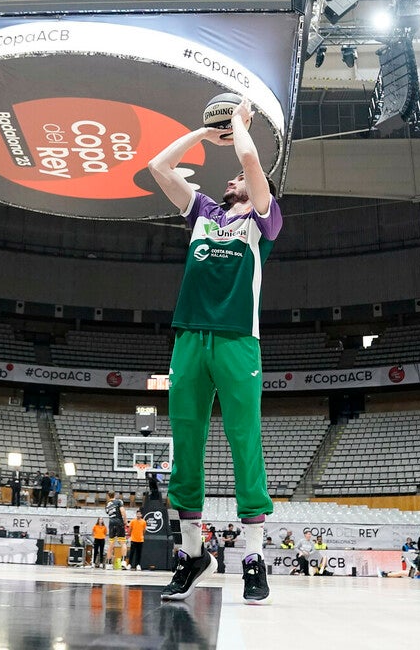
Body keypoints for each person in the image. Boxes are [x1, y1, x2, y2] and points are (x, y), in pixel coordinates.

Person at [148, 97, 279, 606]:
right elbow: (158, 167)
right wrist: (204, 134)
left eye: (236, 181)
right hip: (189, 338)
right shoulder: (203, 213)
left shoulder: (265, 221)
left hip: (237, 340)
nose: (229, 182)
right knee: (186, 444)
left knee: (245, 441)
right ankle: (191, 554)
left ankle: (252, 557)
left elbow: (249, 163)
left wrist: (240, 125)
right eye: (225, 181)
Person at [105, 491, 126, 568]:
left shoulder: (107, 505)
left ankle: (108, 563)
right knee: (123, 542)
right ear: (115, 495)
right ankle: (123, 561)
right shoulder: (119, 501)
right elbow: (123, 511)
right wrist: (125, 521)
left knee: (111, 544)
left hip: (111, 523)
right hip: (119, 522)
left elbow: (108, 513)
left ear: (108, 496)